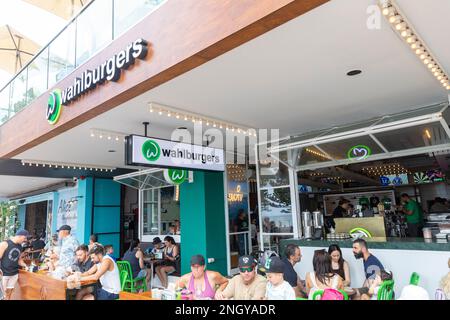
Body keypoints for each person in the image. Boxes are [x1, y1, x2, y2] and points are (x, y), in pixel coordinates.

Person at [0, 230, 29, 300]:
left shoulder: (20, 247)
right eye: (24, 238)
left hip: (14, 273)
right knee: (2, 294)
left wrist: (25, 265)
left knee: (9, 292)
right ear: (19, 236)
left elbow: (19, 259)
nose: (25, 240)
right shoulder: (5, 244)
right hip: (4, 273)